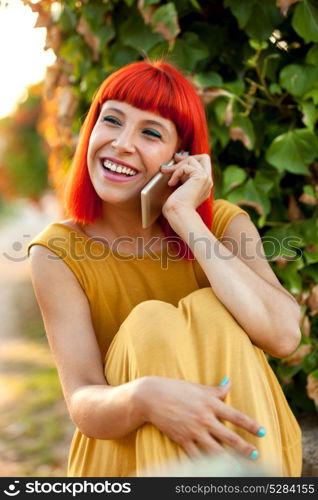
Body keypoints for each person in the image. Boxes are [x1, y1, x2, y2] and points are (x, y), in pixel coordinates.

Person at [27, 58, 302, 477]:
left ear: (182, 157)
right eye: (112, 121)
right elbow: (82, 400)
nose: (121, 143)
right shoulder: (57, 252)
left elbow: (283, 336)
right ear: (91, 130)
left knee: (211, 310)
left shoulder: (222, 224)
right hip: (126, 456)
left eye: (150, 133)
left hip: (242, 445)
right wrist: (145, 396)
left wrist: (185, 217)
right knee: (150, 324)